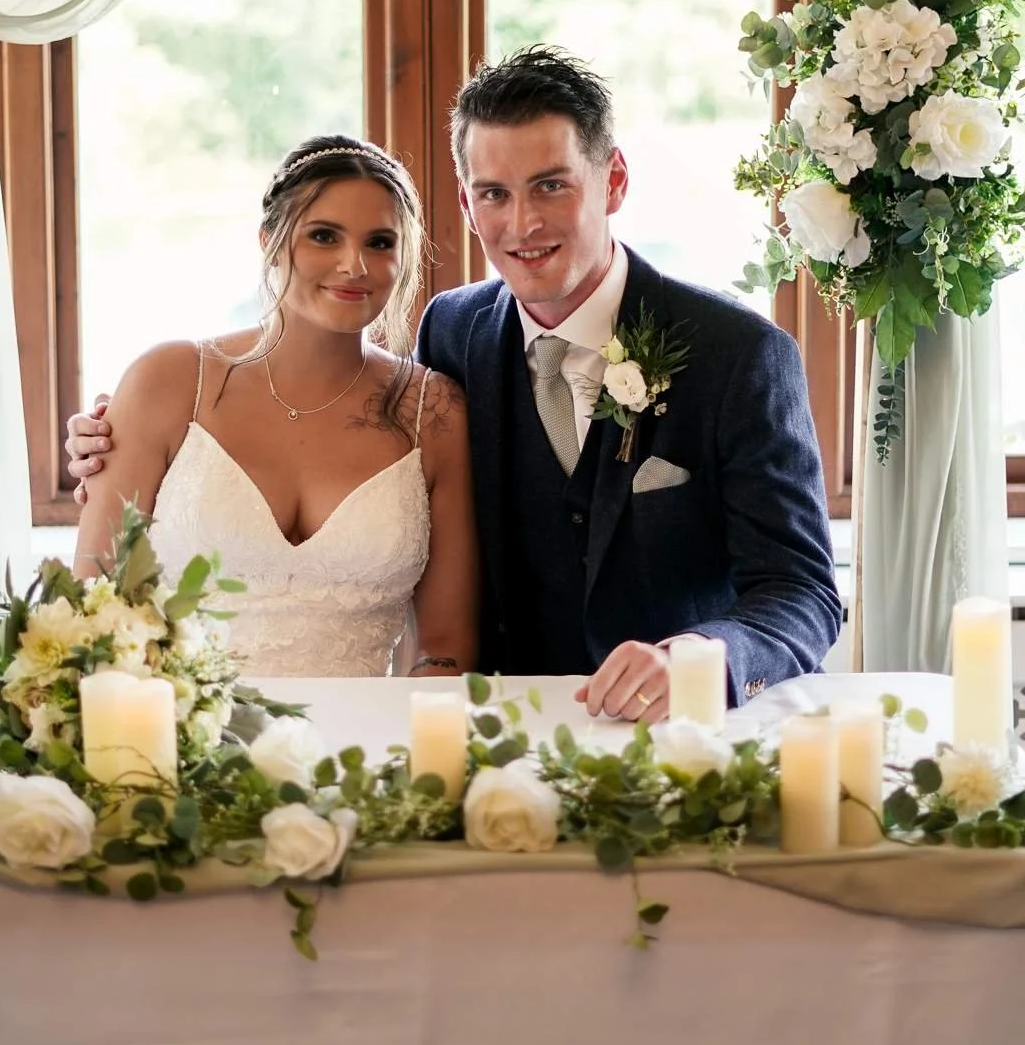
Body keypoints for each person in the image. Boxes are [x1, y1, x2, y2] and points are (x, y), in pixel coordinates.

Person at [70, 49, 841, 718]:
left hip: (676, 741)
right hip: (490, 738)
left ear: (613, 180)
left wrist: (705, 660)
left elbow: (803, 591)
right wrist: (113, 444)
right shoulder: (453, 334)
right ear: (468, 204)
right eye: (495, 193)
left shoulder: (741, 356)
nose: (522, 223)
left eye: (551, 186)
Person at [71, 135, 477, 679]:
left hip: (368, 732)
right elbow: (91, 609)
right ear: (270, 242)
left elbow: (444, 649)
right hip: (180, 725)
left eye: (380, 242)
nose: (354, 265)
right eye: (324, 236)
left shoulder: (434, 411)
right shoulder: (167, 382)